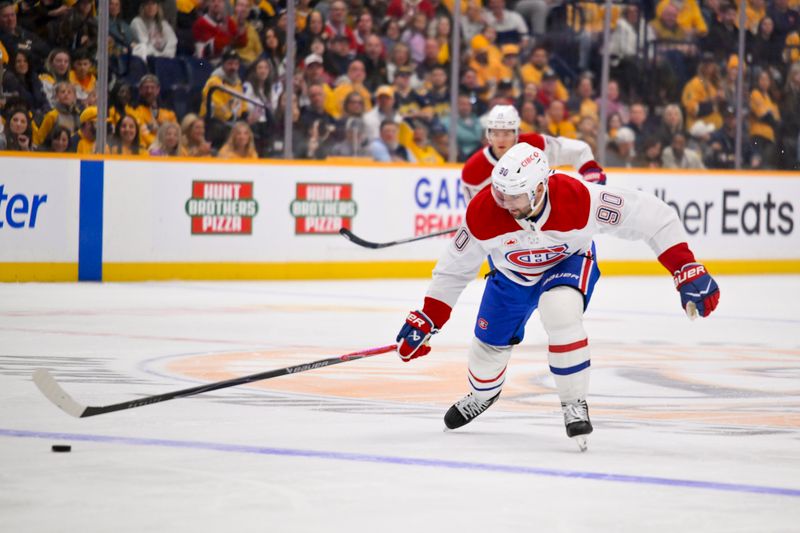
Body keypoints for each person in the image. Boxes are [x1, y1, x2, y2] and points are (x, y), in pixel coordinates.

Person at [395, 142, 720, 451]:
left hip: (569, 261)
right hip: (511, 276)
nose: (505, 204)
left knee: (560, 311)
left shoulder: (579, 198)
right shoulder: (483, 211)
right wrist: (428, 318)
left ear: (539, 189)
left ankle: (574, 402)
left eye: (514, 196)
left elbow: (653, 216)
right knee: (485, 355)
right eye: (500, 193)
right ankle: (483, 394)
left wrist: (685, 266)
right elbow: (454, 268)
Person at [460, 105, 606, 201]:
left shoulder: (534, 145)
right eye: (496, 134)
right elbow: (477, 211)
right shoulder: (474, 170)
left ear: (517, 133)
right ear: (488, 135)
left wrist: (589, 168)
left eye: (506, 133)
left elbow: (577, 150)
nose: (501, 140)